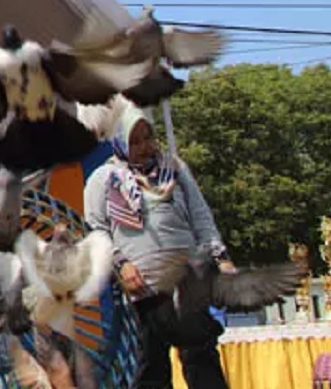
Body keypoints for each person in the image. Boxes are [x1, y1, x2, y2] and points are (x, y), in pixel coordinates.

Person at [84, 100, 232, 389]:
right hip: (141, 287)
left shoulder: (174, 168)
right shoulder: (103, 178)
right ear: (121, 141)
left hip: (187, 280)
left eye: (148, 137)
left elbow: (201, 217)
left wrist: (221, 257)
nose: (143, 146)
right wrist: (121, 265)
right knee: (151, 368)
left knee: (201, 359)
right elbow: (95, 230)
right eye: (134, 141)